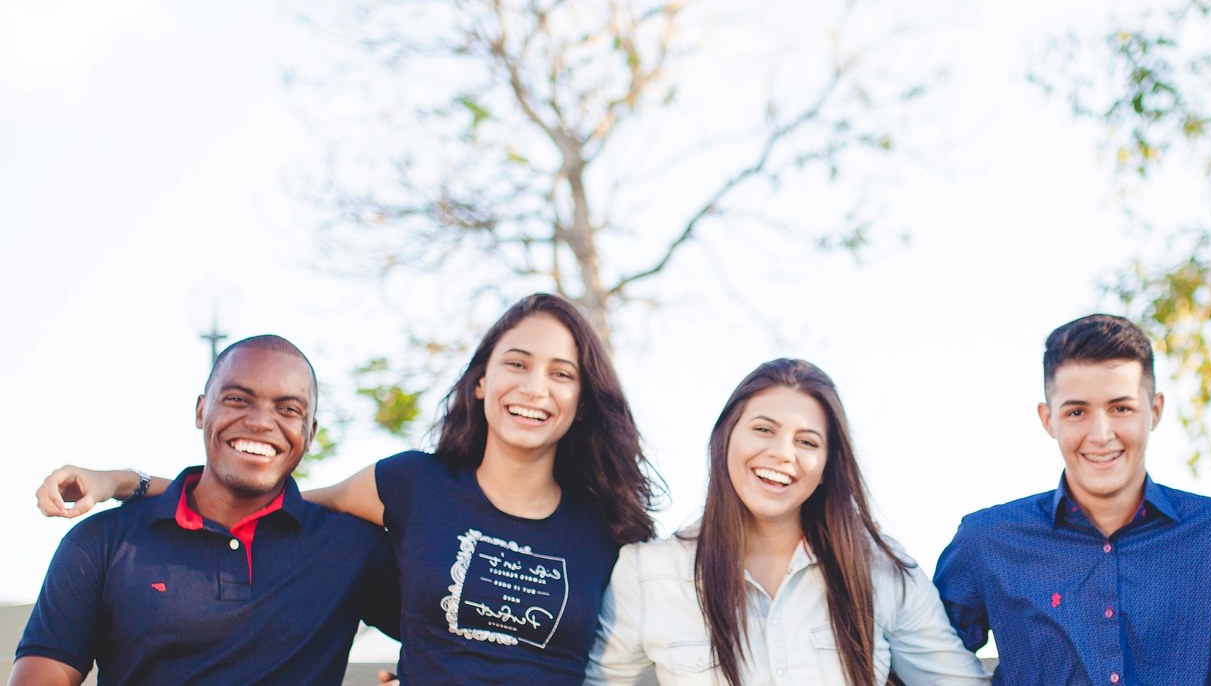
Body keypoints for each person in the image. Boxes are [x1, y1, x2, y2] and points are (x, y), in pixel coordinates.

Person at [35, 293, 661, 684]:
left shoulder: (606, 529)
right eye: (517, 364)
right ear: (480, 380)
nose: (533, 388)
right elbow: (247, 499)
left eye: (560, 373)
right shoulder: (410, 485)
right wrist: (125, 482)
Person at [13, 335, 397, 686]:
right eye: (238, 399)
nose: (261, 421)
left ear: (310, 432)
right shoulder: (103, 541)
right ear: (201, 411)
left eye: (288, 408)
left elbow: (449, 637)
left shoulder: (354, 548)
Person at [586, 358, 989, 685]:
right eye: (763, 429)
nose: (782, 453)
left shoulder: (879, 569)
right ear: (725, 437)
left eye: (807, 441)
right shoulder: (647, 574)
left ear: (828, 465)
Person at [934, 314, 1211, 686]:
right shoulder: (986, 540)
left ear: (1155, 411)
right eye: (1077, 412)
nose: (1101, 434)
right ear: (1048, 420)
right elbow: (920, 656)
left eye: (1121, 408)